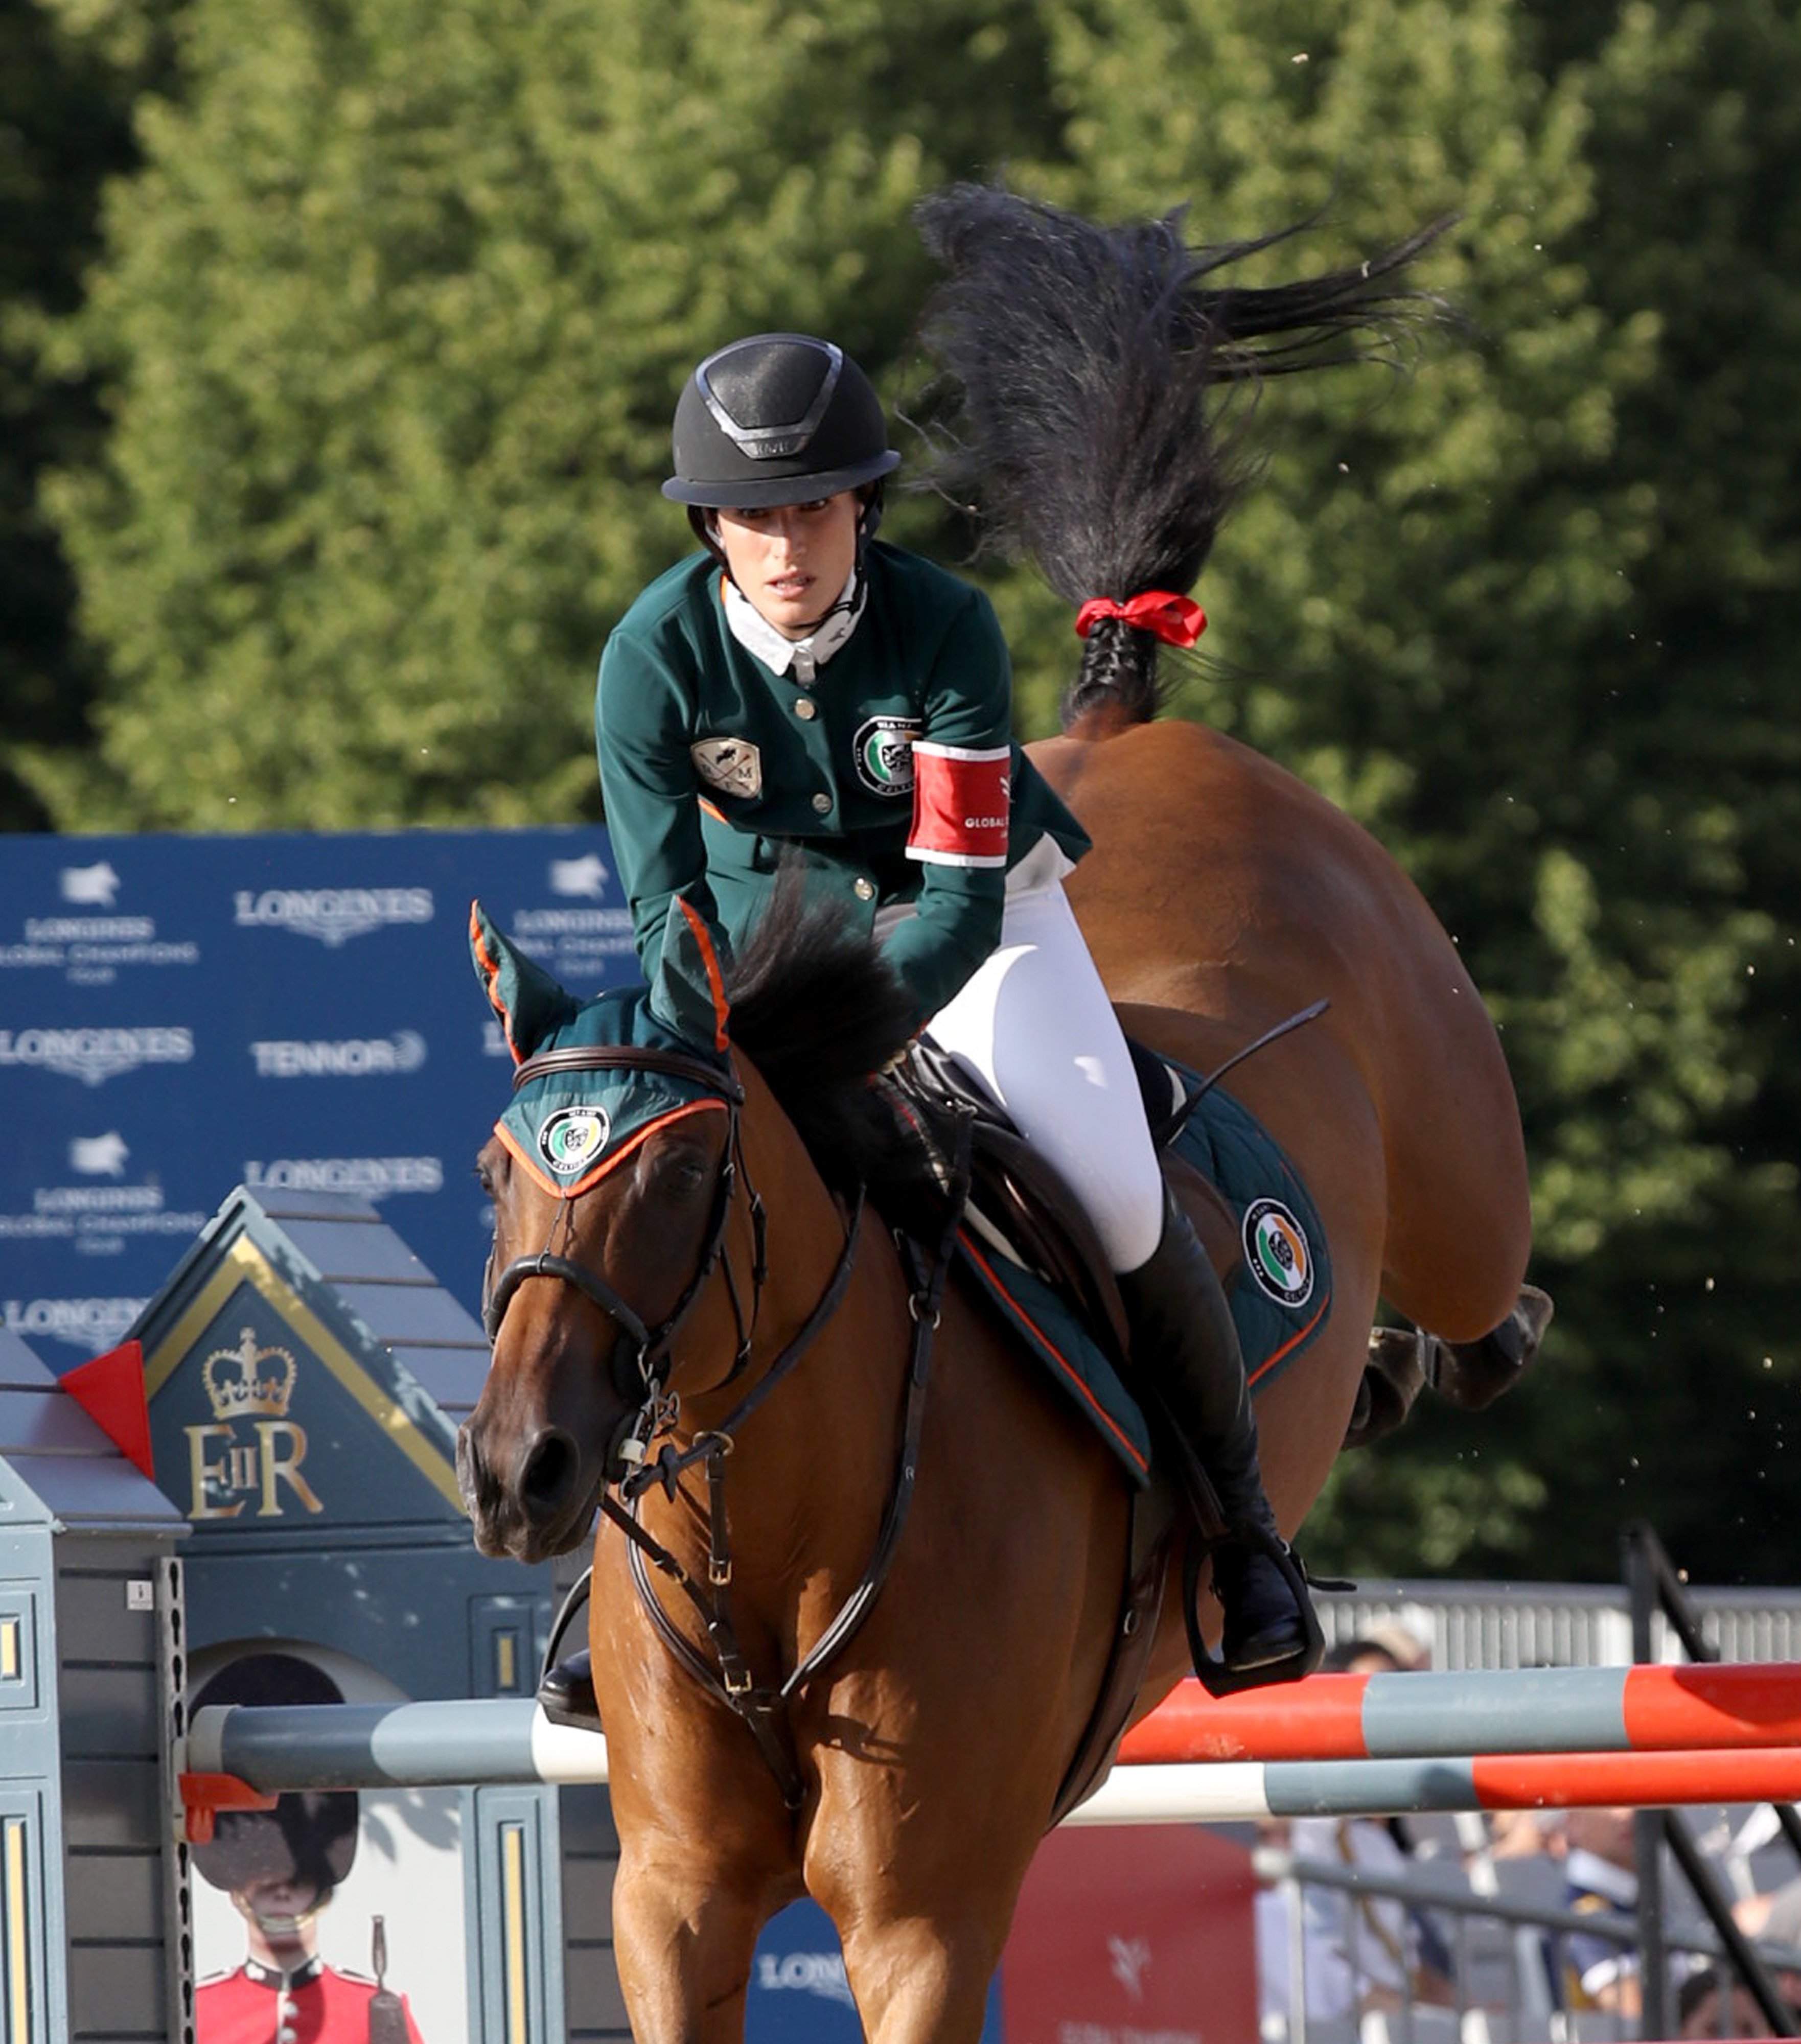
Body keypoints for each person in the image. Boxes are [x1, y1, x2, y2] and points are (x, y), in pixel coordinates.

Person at [588, 328, 1313, 1682]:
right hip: (772, 941)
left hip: (978, 926)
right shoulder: (651, 657)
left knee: (1114, 1190)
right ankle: (618, 1582)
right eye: (752, 515)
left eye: (812, 506)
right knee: (664, 1207)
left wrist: (849, 1041)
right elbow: (660, 914)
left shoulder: (941, 629)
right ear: (710, 526)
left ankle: (1245, 1541)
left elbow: (959, 900)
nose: (786, 545)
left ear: (859, 504)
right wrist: (740, 1046)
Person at [191, 1653, 426, 2043]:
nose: (282, 1891)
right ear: (236, 1893)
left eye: (299, 1881)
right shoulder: (200, 2012)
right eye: (263, 1883)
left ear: (321, 1890)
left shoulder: (373, 2007)